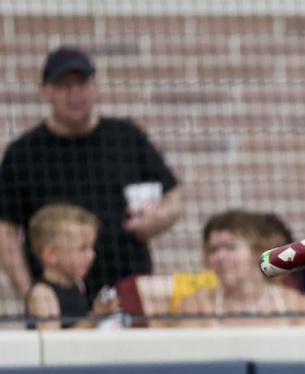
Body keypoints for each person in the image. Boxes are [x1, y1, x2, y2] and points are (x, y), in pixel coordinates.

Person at [0, 47, 182, 304]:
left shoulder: (126, 137)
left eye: (81, 83)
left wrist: (156, 220)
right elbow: (5, 233)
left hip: (128, 288)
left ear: (95, 87)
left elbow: (174, 197)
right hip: (60, 297)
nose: (74, 93)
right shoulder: (24, 153)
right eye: (64, 85)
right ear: (46, 92)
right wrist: (30, 294)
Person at [176, 210, 305, 327]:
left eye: (230, 247)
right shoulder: (197, 306)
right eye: (213, 250)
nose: (219, 257)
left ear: (257, 252)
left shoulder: (297, 305)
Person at [23, 202, 118, 329]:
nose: (92, 255)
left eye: (91, 247)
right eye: (82, 248)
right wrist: (94, 317)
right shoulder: (42, 294)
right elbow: (53, 344)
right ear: (51, 255)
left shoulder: (78, 284)